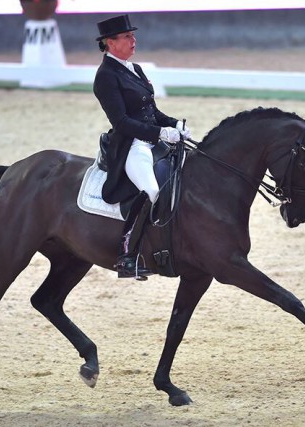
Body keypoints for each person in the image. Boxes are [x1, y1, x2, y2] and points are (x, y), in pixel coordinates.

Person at [93, 14, 191, 280]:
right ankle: (127, 256)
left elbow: (152, 111)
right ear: (110, 43)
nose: (133, 40)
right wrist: (161, 132)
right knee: (150, 190)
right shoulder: (105, 77)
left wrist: (175, 126)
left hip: (154, 140)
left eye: (132, 35)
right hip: (131, 145)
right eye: (127, 36)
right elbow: (122, 122)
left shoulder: (134, 69)